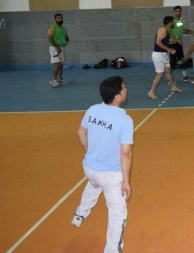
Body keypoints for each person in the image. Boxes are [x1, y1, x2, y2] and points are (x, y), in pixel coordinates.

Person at [71, 76, 134, 253]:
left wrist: (90, 152)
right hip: (110, 176)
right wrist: (126, 181)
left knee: (93, 185)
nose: (126, 90)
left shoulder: (92, 110)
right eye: (124, 88)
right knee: (117, 214)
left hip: (89, 168)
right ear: (118, 97)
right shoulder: (125, 120)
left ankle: (80, 214)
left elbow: (80, 133)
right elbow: (125, 152)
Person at [148, 16, 183, 100]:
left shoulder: (166, 30)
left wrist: (176, 39)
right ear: (170, 22)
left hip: (163, 54)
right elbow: (158, 42)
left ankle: (173, 87)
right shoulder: (162, 29)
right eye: (173, 22)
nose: (173, 23)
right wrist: (169, 49)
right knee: (160, 74)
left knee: (168, 71)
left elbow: (170, 35)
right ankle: (151, 92)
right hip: (158, 55)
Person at [169, 6, 194, 82]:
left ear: (181, 11)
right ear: (174, 12)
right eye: (176, 11)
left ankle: (185, 77)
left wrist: (189, 31)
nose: (178, 13)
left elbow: (181, 30)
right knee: (173, 61)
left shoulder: (180, 20)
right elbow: (168, 32)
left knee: (181, 59)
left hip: (178, 44)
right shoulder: (172, 21)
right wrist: (177, 40)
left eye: (179, 11)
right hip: (172, 44)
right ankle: (170, 79)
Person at [47, 12, 70, 87]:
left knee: (61, 65)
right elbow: (49, 38)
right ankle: (53, 79)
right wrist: (57, 47)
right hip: (54, 48)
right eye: (58, 18)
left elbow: (66, 37)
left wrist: (66, 41)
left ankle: (60, 79)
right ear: (55, 19)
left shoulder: (64, 28)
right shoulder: (52, 28)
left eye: (61, 18)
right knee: (58, 64)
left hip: (61, 48)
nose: (60, 19)